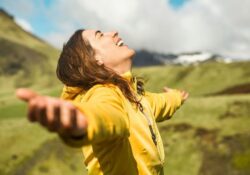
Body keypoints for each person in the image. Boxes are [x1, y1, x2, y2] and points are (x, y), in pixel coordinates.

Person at [16, 29, 189, 175]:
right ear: (94, 60)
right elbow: (106, 115)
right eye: (99, 35)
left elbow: (159, 103)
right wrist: (82, 120)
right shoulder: (104, 93)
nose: (113, 32)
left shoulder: (134, 95)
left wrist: (176, 97)